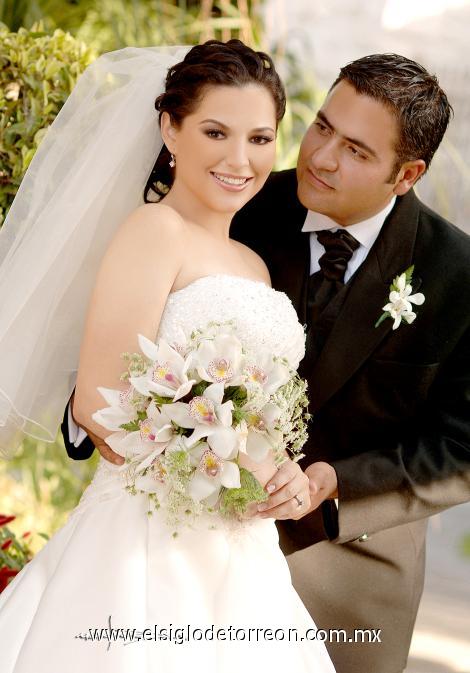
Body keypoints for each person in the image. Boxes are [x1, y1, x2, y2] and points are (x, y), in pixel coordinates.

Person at [65, 53, 470, 673]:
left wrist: (337, 481)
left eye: (357, 151)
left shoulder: (456, 276)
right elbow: (130, 340)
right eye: (322, 126)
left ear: (406, 173)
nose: (322, 157)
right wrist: (101, 407)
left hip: (351, 576)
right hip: (174, 546)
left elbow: (462, 447)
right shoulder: (242, 199)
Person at [0, 40, 336, 672]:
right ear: (169, 129)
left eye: (261, 138)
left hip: (241, 545)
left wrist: (282, 469)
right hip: (147, 540)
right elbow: (101, 403)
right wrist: (231, 460)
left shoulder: (255, 264)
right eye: (216, 131)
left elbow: (252, 410)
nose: (241, 159)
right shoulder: (153, 231)